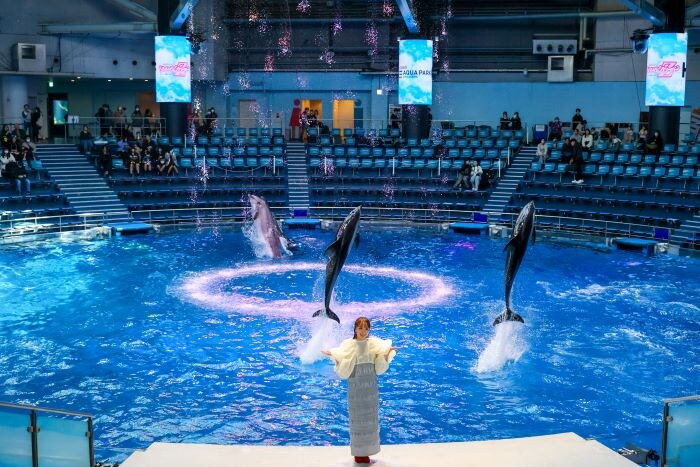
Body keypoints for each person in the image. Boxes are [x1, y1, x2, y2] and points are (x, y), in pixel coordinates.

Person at [322, 317, 397, 466]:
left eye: (366, 329)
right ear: (355, 329)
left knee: (370, 417)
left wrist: (386, 353)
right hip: (356, 385)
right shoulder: (348, 344)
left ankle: (367, 452)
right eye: (360, 328)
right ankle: (358, 453)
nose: (363, 331)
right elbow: (342, 359)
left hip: (370, 386)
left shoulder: (374, 344)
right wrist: (334, 355)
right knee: (357, 417)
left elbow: (379, 367)